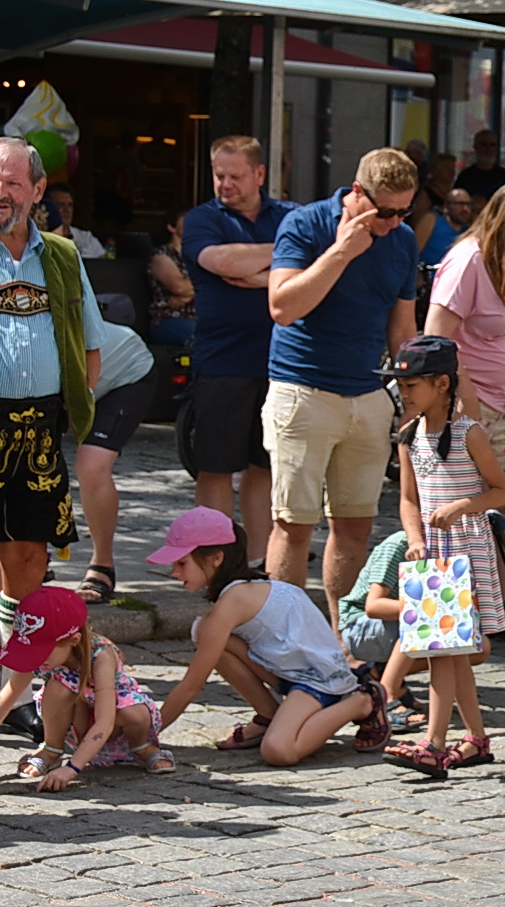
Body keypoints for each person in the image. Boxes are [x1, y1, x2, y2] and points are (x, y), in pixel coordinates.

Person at [266, 147, 420, 614]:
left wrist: (414, 395)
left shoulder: (403, 239)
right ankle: (286, 641)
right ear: (357, 193)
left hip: (368, 391)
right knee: (294, 526)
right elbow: (282, 307)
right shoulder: (306, 224)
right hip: (303, 387)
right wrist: (341, 251)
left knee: (355, 525)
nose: (393, 222)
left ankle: (345, 640)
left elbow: (402, 327)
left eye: (404, 211)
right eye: (385, 211)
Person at [153, 507, 391, 765]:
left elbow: (191, 686)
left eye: (181, 563)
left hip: (319, 680)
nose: (175, 573)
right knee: (204, 632)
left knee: (279, 751)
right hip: (288, 672)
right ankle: (269, 715)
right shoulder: (238, 592)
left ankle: (362, 700)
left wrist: (145, 736)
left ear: (216, 558)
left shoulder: (234, 600)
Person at [383, 335, 505, 775]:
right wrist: (413, 535)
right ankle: (475, 738)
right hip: (431, 556)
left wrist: (462, 505)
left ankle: (435, 743)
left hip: (464, 552)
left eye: (412, 386)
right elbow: (407, 498)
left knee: (443, 650)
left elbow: (502, 490)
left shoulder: (467, 433)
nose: (405, 395)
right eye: (401, 388)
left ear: (442, 383)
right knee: (450, 652)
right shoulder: (409, 436)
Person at [0, 136, 105, 634]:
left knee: (27, 553)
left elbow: (89, 342)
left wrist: (74, 406)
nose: (1, 192)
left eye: (12, 182)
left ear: (37, 189)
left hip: (39, 426)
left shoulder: (62, 256)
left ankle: (13, 684)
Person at [182, 134, 295, 566]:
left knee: (264, 467)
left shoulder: (289, 215)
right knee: (215, 466)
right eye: (219, 175)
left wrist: (262, 272)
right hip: (223, 361)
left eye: (235, 176)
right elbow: (221, 262)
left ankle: (260, 561)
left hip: (281, 361)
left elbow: (316, 264)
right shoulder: (201, 219)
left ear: (260, 174)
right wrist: (282, 263)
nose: (225, 184)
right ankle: (213, 562)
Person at [426, 180, 505, 486]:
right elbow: (436, 337)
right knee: (462, 506)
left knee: (499, 498)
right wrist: (466, 396)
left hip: (502, 405)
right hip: (469, 403)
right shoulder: (468, 261)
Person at [0, 587, 172, 790]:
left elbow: (105, 721)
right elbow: (6, 698)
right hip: (75, 723)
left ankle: (142, 747)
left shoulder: (101, 655)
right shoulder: (42, 656)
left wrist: (72, 768)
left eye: (40, 651)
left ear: (73, 641)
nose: (34, 658)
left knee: (134, 712)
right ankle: (51, 749)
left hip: (113, 724)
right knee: (57, 686)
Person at [72, 318, 155, 605]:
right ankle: (32, 556)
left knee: (91, 466)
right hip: (70, 385)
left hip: (125, 372)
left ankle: (102, 565)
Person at [336, 530, 428, 733]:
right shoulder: (397, 545)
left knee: (478, 646)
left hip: (396, 625)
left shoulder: (450, 545)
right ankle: (387, 696)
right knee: (419, 622)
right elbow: (373, 606)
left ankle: (380, 672)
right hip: (360, 627)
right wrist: (425, 609)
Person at [147, 207, 197, 345]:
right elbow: (180, 288)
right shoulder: (161, 255)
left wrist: (189, 295)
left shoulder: (201, 255)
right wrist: (208, 281)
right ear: (172, 227)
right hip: (170, 320)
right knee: (202, 338)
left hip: (202, 319)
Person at [44, 183, 104, 259]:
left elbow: (105, 263)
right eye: (60, 204)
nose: (67, 210)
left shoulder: (87, 238)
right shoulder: (40, 239)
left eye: (70, 205)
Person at [454, 129, 505, 202]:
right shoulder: (465, 176)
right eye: (484, 145)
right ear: (475, 147)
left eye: (493, 145)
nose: (489, 149)